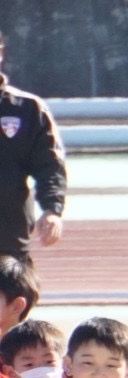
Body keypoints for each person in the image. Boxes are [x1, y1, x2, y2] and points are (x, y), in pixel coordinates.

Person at [0, 32, 67, 260]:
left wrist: (52, 209)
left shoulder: (27, 109)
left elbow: (49, 164)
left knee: (13, 294)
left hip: (7, 232)